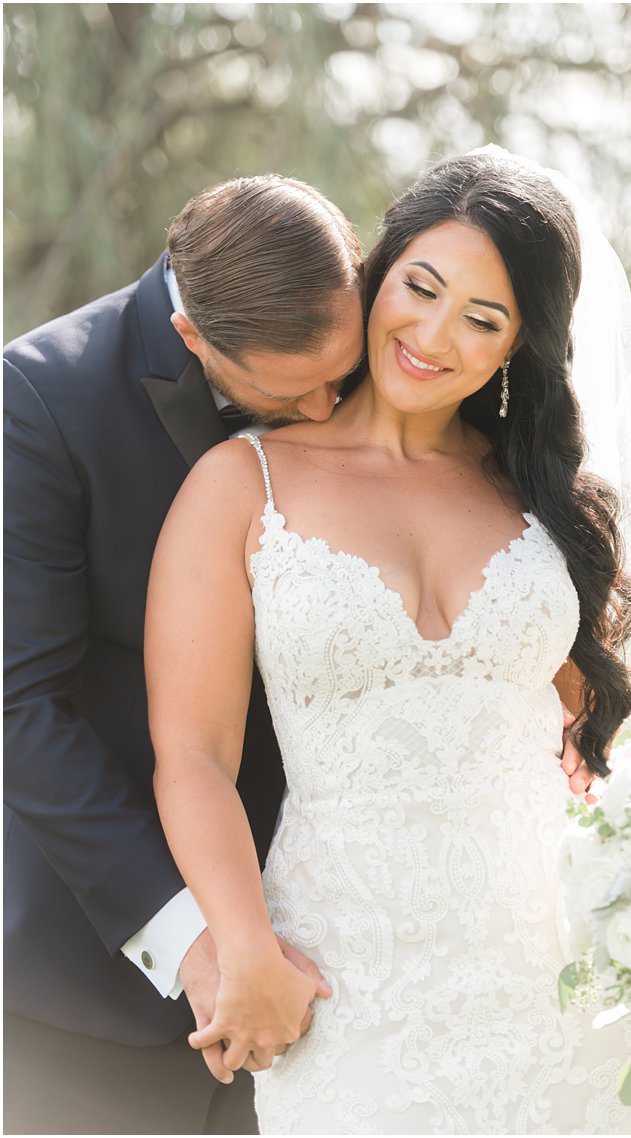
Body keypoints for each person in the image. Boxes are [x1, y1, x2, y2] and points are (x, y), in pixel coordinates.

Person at [145, 151, 631, 1134]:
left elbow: (574, 726)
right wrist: (244, 945)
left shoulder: (548, 503)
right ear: (377, 276)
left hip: (555, 973)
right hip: (344, 981)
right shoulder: (238, 483)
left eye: (483, 317)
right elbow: (193, 755)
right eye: (420, 288)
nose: (432, 335)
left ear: (520, 345)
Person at [3, 175, 365, 1134]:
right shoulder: (38, 399)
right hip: (92, 999)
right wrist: (199, 945)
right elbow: (20, 712)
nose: (333, 412)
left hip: (333, 961)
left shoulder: (348, 363)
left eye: (344, 372)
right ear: (196, 340)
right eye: (294, 394)